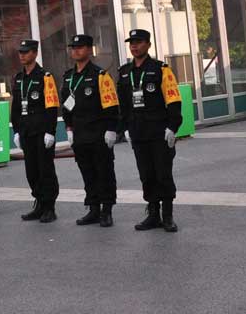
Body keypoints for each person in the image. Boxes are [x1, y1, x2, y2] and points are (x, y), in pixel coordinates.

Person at [117, 29, 183, 233]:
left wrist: (172, 127)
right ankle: (153, 214)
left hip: (159, 131)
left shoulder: (161, 69)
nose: (134, 46)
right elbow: (123, 104)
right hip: (138, 131)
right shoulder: (124, 72)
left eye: (138, 42)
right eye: (131, 43)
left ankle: (168, 215)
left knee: (163, 173)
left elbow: (173, 99)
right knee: (146, 175)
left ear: (148, 45)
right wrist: (125, 128)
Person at [61, 34, 120, 228]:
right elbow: (66, 105)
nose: (76, 50)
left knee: (104, 172)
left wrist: (111, 129)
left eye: (80, 47)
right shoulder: (68, 77)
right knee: (87, 173)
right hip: (80, 134)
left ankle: (107, 210)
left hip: (98, 133)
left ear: (89, 49)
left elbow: (111, 105)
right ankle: (93, 209)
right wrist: (68, 127)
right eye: (73, 47)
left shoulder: (100, 75)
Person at [9, 40, 60, 223]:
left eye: (26, 52)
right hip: (26, 131)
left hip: (41, 131)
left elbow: (52, 106)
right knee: (31, 171)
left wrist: (50, 131)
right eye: (20, 52)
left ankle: (49, 207)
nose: (22, 55)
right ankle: (39, 203)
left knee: (45, 170)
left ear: (35, 53)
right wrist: (16, 130)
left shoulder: (45, 77)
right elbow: (15, 107)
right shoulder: (18, 78)